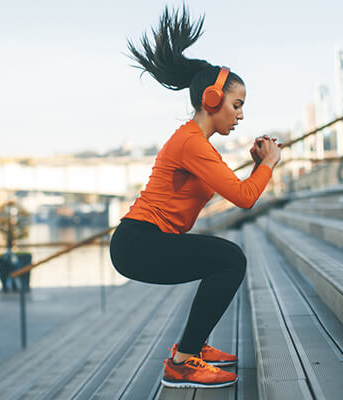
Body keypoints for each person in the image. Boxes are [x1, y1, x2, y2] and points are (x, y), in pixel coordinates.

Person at [109, 5, 281, 389]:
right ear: (211, 100)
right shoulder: (191, 143)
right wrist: (269, 163)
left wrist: (257, 167)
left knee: (222, 259)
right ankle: (184, 361)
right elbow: (244, 198)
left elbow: (237, 188)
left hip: (144, 241)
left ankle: (192, 348)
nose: (239, 116)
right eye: (236, 105)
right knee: (229, 259)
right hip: (138, 243)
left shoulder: (197, 144)